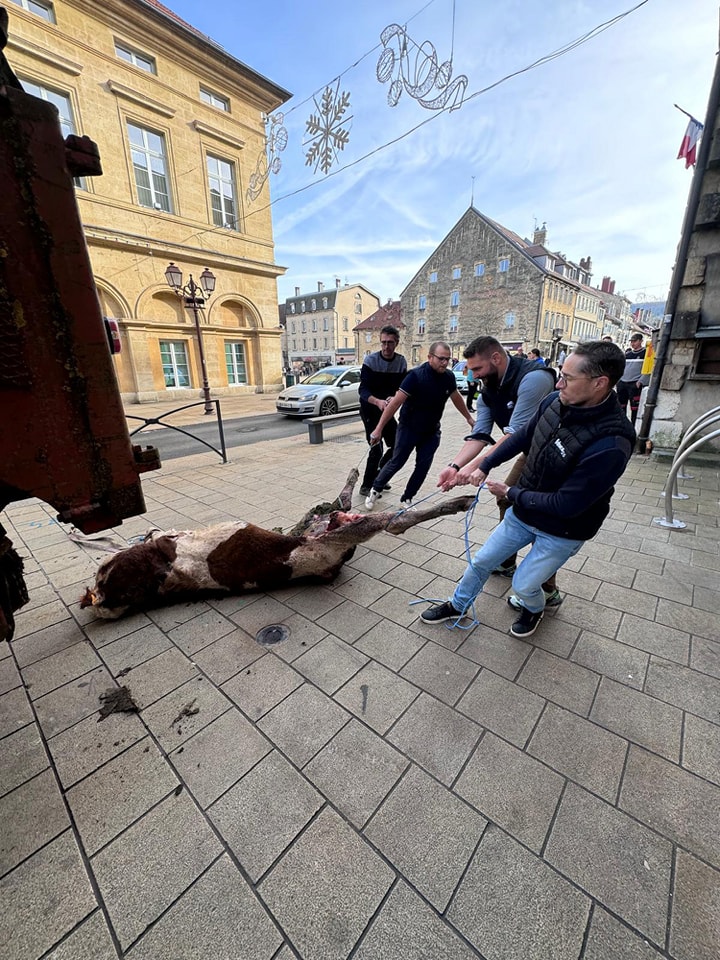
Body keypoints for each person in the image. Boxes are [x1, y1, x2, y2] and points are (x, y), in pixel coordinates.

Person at [422, 341, 636, 637]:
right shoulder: (555, 401)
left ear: (599, 383)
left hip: (563, 531)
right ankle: (458, 604)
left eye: (568, 378)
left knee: (524, 584)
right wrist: (484, 465)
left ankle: (535, 609)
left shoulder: (612, 443)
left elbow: (567, 505)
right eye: (562, 374)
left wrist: (509, 493)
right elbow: (522, 436)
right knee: (482, 560)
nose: (559, 382)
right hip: (523, 515)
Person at [437, 336, 559, 602]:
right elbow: (480, 435)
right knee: (505, 497)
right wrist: (454, 466)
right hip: (531, 451)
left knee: (544, 516)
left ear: (496, 358)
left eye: (477, 369)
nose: (474, 376)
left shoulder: (534, 379)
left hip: (558, 455)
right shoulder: (488, 388)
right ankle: (506, 561)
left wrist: (475, 468)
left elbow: (514, 436)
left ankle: (548, 590)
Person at [365, 341, 475, 509]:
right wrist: (378, 429)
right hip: (408, 428)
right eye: (441, 359)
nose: (445, 363)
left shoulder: (448, 377)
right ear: (430, 357)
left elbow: (456, 397)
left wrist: (469, 418)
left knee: (423, 466)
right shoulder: (415, 376)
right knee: (398, 461)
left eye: (448, 359)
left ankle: (407, 498)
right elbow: (395, 404)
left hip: (431, 431)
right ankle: (375, 488)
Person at [358, 326, 407, 497]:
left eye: (390, 343)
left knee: (397, 445)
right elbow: (363, 391)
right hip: (370, 409)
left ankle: (380, 477)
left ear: (396, 343)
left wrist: (393, 398)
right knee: (376, 447)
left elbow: (401, 388)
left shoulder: (401, 362)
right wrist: (377, 401)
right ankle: (366, 485)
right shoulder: (370, 361)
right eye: (383, 343)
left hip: (387, 410)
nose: (386, 347)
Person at [616, 333, 649, 425]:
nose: (632, 343)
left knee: (635, 408)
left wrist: (641, 381)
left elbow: (648, 369)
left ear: (641, 341)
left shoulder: (645, 354)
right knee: (621, 406)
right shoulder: (628, 354)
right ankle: (622, 424)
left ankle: (633, 425)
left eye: (635, 341)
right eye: (631, 341)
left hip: (634, 384)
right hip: (623, 383)